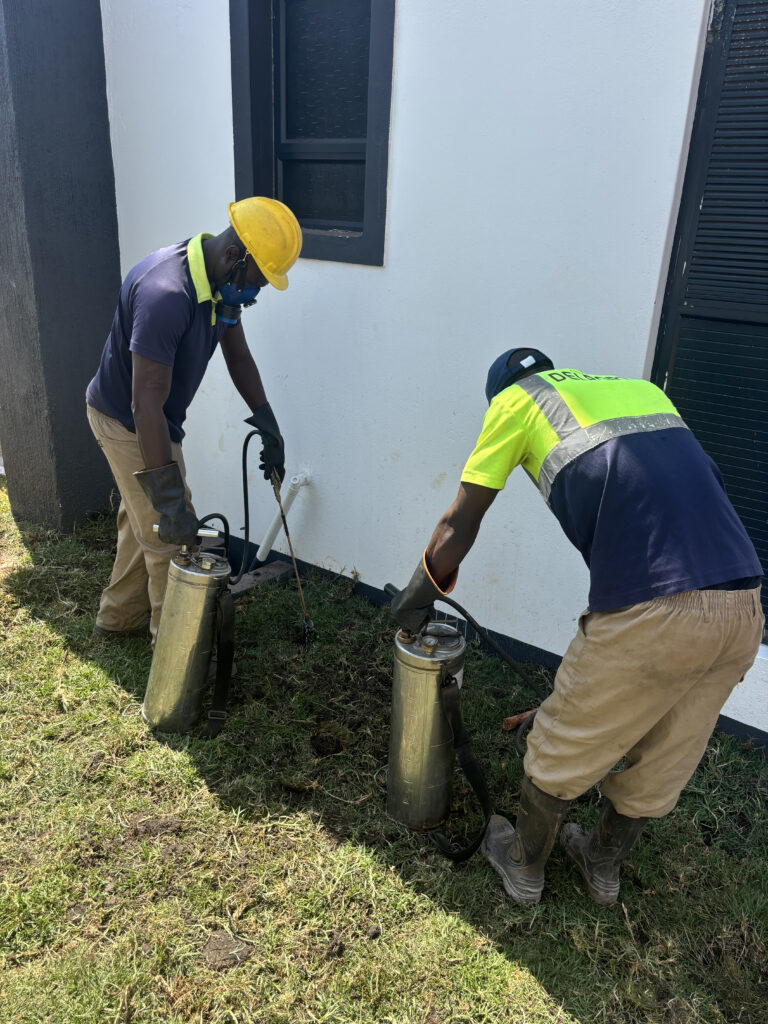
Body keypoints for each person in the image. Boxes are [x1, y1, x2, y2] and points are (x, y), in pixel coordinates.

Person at [391, 348, 763, 906]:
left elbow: (459, 524)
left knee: (559, 745)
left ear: (500, 395)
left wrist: (413, 599)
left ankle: (523, 867)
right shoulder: (642, 392)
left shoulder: (515, 403)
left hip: (654, 607)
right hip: (744, 605)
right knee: (667, 750)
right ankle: (601, 865)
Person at [86, 197, 302, 643]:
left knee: (143, 521)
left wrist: (268, 422)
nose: (254, 295)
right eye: (255, 283)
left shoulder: (221, 285)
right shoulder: (166, 295)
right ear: (233, 254)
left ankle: (118, 619)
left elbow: (238, 356)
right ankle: (176, 656)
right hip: (127, 420)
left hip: (153, 417)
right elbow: (144, 403)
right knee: (171, 536)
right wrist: (170, 502)